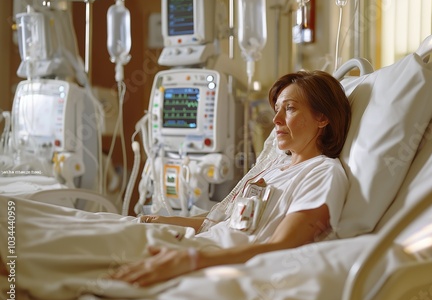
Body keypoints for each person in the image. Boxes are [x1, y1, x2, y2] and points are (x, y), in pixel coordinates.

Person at [109, 70, 351, 286]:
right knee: (108, 231)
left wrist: (192, 260)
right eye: (276, 109)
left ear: (322, 118)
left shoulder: (322, 173)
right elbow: (223, 224)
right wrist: (160, 220)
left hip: (212, 260)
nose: (276, 120)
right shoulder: (274, 170)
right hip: (198, 245)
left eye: (289, 108)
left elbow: (282, 247)